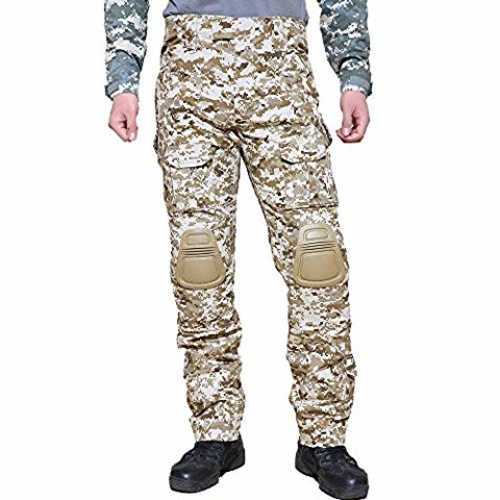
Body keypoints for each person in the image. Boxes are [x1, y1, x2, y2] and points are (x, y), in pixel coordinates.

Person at [105, 1, 372, 498]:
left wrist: (352, 74)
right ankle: (216, 432)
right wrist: (123, 81)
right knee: (199, 264)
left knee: (317, 260)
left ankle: (324, 439)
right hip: (191, 80)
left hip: (281, 75)